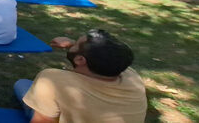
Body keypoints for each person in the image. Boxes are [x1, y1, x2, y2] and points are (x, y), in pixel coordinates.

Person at [15, 29, 146, 122]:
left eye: (76, 44)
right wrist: (73, 44)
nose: (73, 44)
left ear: (80, 60)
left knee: (22, 84)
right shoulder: (131, 76)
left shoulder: (52, 79)